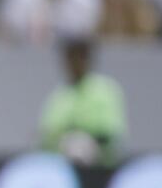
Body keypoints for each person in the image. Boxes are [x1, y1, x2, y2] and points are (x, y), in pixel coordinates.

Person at [40, 37, 127, 167]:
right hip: (61, 163)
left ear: (88, 60)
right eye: (70, 59)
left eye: (79, 58)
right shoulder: (59, 96)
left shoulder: (105, 91)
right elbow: (47, 135)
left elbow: (110, 132)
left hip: (99, 165)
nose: (74, 64)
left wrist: (81, 136)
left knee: (79, 146)